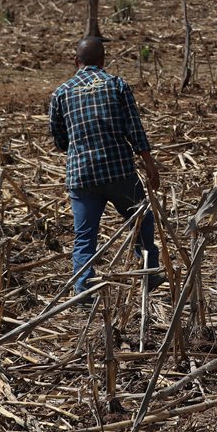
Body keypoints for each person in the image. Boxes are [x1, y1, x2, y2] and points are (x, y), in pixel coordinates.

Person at [49, 37, 162, 296]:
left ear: (76, 61)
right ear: (103, 59)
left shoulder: (62, 93)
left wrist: (81, 147)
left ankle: (83, 290)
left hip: (81, 176)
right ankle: (149, 272)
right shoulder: (116, 84)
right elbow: (134, 128)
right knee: (141, 221)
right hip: (118, 171)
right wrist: (149, 163)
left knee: (85, 237)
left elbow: (59, 139)